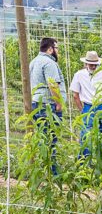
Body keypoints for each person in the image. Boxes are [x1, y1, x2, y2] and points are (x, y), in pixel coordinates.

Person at [29, 37, 67, 175]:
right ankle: (53, 173)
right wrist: (58, 103)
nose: (58, 52)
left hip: (36, 104)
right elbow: (52, 84)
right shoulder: (49, 63)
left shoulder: (34, 62)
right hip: (48, 106)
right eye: (57, 48)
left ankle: (43, 170)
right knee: (51, 139)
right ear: (50, 49)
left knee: (42, 138)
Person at [70, 51, 102, 158]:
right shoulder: (80, 75)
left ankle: (100, 160)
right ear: (86, 64)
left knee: (98, 133)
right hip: (90, 106)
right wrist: (82, 110)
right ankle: (86, 162)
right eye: (91, 64)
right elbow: (75, 95)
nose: (93, 66)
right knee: (91, 134)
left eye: (95, 64)